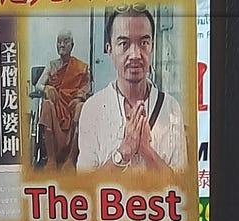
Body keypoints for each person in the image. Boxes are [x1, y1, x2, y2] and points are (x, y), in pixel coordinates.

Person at [76, 7, 187, 172]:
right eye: (124, 44)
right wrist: (125, 151)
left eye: (143, 43)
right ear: (110, 50)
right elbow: (84, 189)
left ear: (152, 47)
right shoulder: (93, 109)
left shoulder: (171, 108)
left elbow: (181, 188)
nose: (135, 54)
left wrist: (145, 150)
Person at [32, 30, 90, 169]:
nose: (62, 45)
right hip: (55, 106)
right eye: (59, 42)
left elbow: (86, 87)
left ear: (72, 45)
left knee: (81, 107)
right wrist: (46, 89)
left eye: (65, 42)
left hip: (72, 107)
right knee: (46, 105)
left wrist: (79, 97)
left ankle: (71, 159)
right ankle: (51, 159)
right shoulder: (51, 65)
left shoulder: (81, 67)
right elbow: (38, 84)